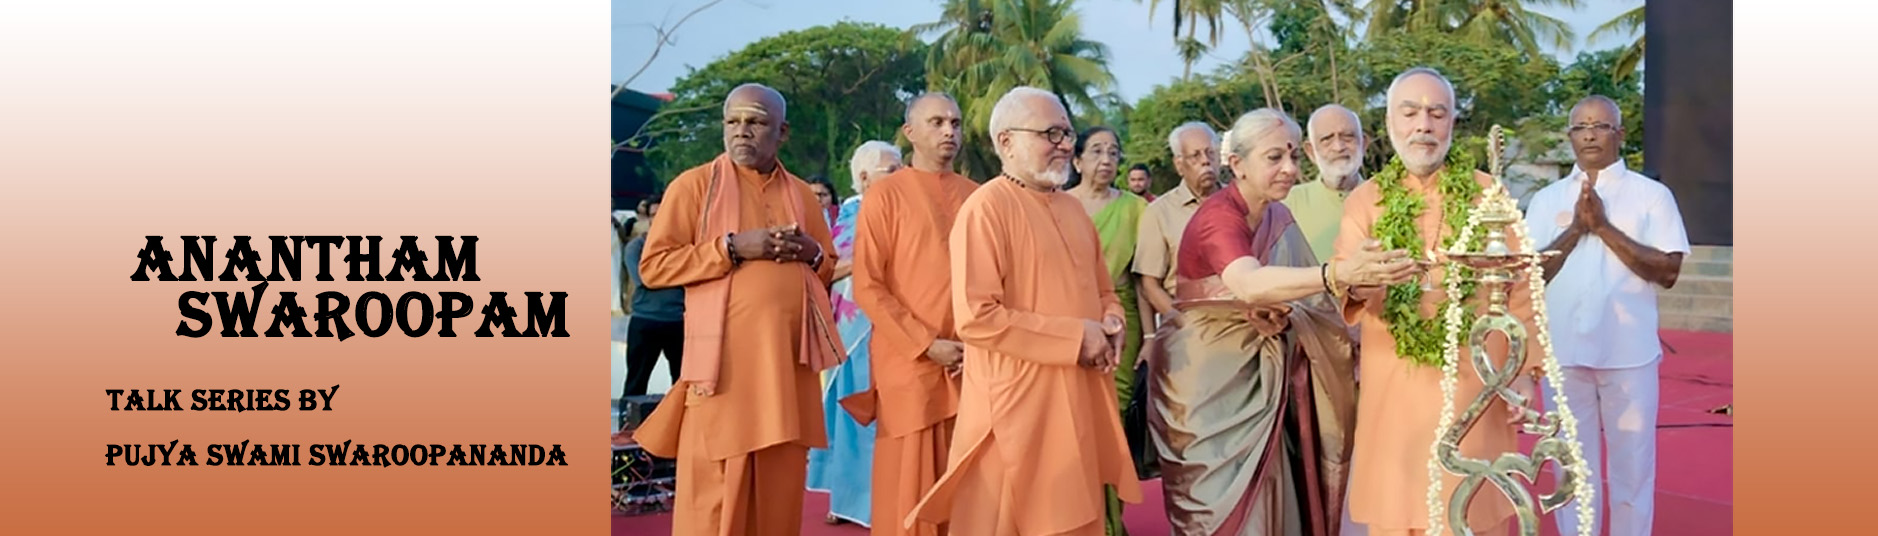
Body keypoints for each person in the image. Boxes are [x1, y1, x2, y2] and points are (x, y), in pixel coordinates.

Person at [1151, 109, 1412, 536]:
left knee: (1276, 491)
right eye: (1274, 157)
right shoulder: (1219, 217)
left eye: (1292, 155)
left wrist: (1353, 290)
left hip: (1270, 376)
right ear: (1237, 164)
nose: (1290, 168)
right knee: (1222, 509)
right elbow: (1248, 283)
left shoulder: (1277, 215)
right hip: (1207, 382)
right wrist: (1338, 273)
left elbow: (1310, 302)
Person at [905, 86, 1142, 536]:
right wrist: (1077, 337)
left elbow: (1104, 290)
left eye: (1067, 133)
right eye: (1050, 134)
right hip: (1014, 405)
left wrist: (1112, 320)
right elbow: (977, 318)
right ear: (1006, 142)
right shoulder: (986, 209)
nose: (1065, 145)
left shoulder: (1074, 210)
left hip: (1078, 395)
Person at [1334, 67, 1545, 536]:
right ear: (1390, 122)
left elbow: (1523, 287)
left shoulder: (1490, 194)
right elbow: (1348, 283)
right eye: (1410, 113)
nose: (1423, 126)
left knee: (1473, 508)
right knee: (1399, 507)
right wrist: (1363, 279)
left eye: (1437, 113)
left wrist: (1524, 372)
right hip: (1396, 388)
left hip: (1476, 385)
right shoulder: (1365, 201)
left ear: (1452, 122)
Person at [632, 83, 843, 536]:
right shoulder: (694, 187)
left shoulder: (803, 195)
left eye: (756, 122)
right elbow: (654, 266)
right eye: (733, 121)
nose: (741, 131)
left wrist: (810, 252)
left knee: (778, 495)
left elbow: (825, 268)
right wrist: (730, 247)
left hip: (786, 373)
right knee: (713, 498)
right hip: (723, 374)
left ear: (782, 132)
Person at [1526, 95, 1689, 536]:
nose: (1590, 135)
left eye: (1600, 126)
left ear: (1620, 134)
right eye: (1581, 127)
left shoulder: (1651, 196)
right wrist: (1576, 229)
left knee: (1632, 466)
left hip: (1628, 354)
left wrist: (1603, 227)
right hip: (1563, 354)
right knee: (1570, 466)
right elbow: (1531, 275)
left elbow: (1668, 271)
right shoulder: (1546, 199)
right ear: (1570, 137)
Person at [850, 92, 979, 536]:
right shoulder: (885, 195)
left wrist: (977, 341)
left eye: (955, 123)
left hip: (970, 361)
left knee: (969, 488)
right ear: (909, 133)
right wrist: (926, 343)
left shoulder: (977, 197)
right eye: (937, 122)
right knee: (909, 488)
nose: (949, 131)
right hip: (909, 361)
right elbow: (868, 285)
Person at [807, 140, 904, 527]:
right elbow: (829, 269)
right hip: (857, 332)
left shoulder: (902, 209)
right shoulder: (849, 217)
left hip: (898, 326)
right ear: (864, 178)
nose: (902, 176)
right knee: (855, 416)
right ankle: (854, 502)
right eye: (892, 170)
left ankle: (886, 498)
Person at [1067, 124, 1150, 536]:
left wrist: (1150, 337)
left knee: (1113, 422)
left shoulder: (1135, 209)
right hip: (1070, 323)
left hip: (1121, 323)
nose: (1106, 160)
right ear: (1077, 159)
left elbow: (1143, 278)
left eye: (1113, 152)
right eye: (1096, 151)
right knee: (1075, 423)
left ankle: (1112, 523)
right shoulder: (1058, 204)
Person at [1136, 121, 1222, 346]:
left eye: (1210, 153)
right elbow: (1149, 285)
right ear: (1179, 165)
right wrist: (1184, 324)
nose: (1205, 161)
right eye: (1195, 156)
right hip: (1187, 330)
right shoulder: (1159, 212)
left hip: (1243, 325)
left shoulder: (1241, 203)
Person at [620, 194, 686, 398]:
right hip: (645, 320)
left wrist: (665, 273)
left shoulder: (684, 247)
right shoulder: (636, 247)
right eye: (653, 215)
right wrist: (678, 272)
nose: (657, 219)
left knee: (682, 382)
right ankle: (628, 418)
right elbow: (644, 279)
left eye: (661, 213)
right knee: (636, 382)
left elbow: (693, 275)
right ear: (648, 218)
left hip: (678, 320)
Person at [1291, 104, 1368, 262]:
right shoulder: (1287, 204)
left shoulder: (1388, 198)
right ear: (1310, 152)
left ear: (1364, 144)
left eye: (1348, 137)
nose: (1338, 147)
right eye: (1326, 139)